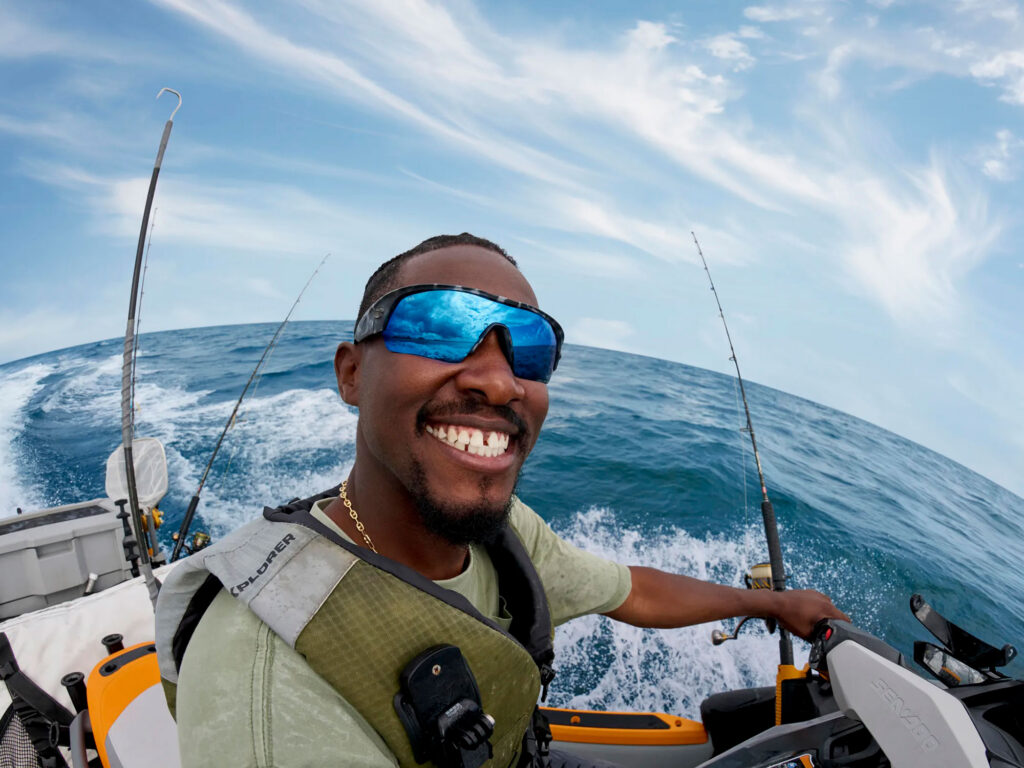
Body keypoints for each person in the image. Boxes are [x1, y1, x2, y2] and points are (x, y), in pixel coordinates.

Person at [154, 233, 848, 768]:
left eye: (531, 350)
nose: (499, 381)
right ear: (352, 374)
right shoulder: (267, 682)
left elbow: (628, 590)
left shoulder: (505, 535)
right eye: (436, 324)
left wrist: (773, 604)